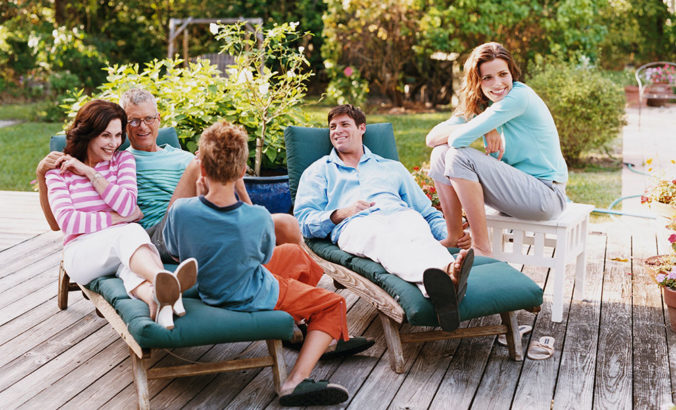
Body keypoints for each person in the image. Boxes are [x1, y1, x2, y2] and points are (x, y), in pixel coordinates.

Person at [162, 120, 357, 406]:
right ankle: (295, 382)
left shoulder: (180, 210)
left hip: (210, 285)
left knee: (299, 256)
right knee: (333, 305)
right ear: (242, 172)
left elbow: (177, 254)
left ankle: (295, 323)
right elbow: (263, 257)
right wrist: (244, 195)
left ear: (201, 169)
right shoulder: (257, 217)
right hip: (252, 292)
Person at [37, 88, 302, 264]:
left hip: (201, 222)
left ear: (159, 119)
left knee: (286, 225)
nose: (143, 127)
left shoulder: (183, 157)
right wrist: (43, 174)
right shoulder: (116, 160)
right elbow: (59, 221)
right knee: (202, 166)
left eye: (149, 118)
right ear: (121, 125)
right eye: (133, 121)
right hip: (157, 235)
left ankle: (296, 305)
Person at [293, 104, 473, 332]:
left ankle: (445, 282)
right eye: (332, 127)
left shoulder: (392, 168)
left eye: (344, 124)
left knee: (416, 226)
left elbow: (426, 212)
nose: (336, 130)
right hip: (355, 224)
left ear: (362, 128)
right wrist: (342, 212)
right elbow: (305, 221)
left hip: (399, 215)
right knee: (382, 238)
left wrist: (451, 236)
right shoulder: (318, 171)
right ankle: (447, 275)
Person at [42, 99, 196, 330]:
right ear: (88, 134)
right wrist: (117, 219)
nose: (114, 143)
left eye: (117, 135)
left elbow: (127, 205)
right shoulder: (59, 171)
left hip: (120, 247)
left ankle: (159, 301)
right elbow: (68, 222)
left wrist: (91, 173)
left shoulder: (123, 160)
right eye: (105, 135)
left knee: (132, 267)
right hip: (82, 252)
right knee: (130, 231)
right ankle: (163, 278)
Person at [425, 42, 568, 257]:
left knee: (458, 156)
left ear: (512, 73)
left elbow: (458, 140)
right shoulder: (487, 105)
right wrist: (486, 125)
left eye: (503, 74)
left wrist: (484, 126)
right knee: (440, 154)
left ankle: (482, 248)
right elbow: (432, 138)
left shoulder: (519, 98)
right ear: (477, 81)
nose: (498, 83)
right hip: (517, 191)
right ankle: (454, 237)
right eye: (487, 78)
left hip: (546, 195)